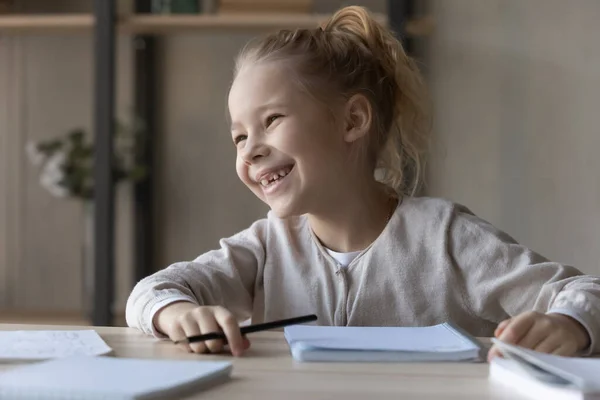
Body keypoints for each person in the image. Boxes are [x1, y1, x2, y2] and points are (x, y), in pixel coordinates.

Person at [126, 6, 600, 361]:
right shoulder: (265, 248)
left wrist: (569, 323)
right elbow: (152, 291)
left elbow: (586, 292)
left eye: (271, 120)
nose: (250, 149)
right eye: (238, 136)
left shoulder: (446, 238)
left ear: (352, 120)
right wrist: (177, 314)